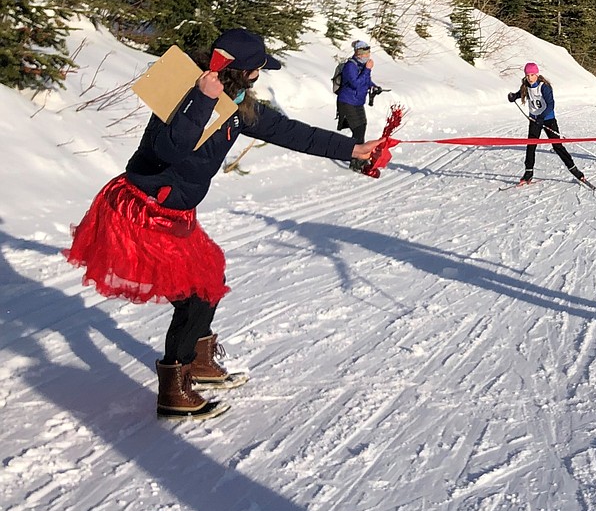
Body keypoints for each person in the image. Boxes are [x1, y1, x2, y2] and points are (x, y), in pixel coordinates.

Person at [64, 29, 381, 420]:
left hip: (175, 213)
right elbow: (168, 149)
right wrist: (201, 99)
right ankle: (174, 389)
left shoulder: (239, 107)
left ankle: (196, 362)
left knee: (209, 276)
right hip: (143, 211)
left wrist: (351, 147)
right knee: (195, 293)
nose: (259, 78)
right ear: (240, 72)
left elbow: (289, 132)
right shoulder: (183, 95)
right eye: (256, 71)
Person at [507, 62, 587, 185]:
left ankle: (575, 171)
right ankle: (528, 172)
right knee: (531, 145)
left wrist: (542, 117)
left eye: (532, 75)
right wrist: (514, 96)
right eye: (527, 75)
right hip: (534, 119)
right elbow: (521, 93)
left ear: (537, 74)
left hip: (548, 119)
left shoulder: (544, 86)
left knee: (557, 146)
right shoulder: (526, 85)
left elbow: (551, 104)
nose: (530, 78)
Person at [337, 39, 382, 171]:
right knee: (358, 130)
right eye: (366, 54)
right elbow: (355, 83)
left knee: (362, 127)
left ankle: (358, 158)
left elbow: (366, 81)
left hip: (357, 102)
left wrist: (374, 87)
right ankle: (356, 160)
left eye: (369, 53)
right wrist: (367, 70)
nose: (368, 56)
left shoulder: (361, 66)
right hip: (348, 102)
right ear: (359, 54)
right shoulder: (350, 66)